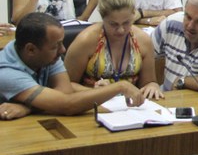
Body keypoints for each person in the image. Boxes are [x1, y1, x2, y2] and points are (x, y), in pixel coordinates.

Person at [0, 12, 144, 121]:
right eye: (56, 46)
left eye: (61, 43)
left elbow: (65, 91)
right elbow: (67, 105)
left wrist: (27, 107)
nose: (63, 50)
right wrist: (120, 86)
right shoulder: (6, 73)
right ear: (31, 49)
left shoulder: (45, 55)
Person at [64, 0, 164, 99]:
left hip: (130, 105)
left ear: (133, 15)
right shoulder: (86, 41)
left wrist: (152, 86)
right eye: (113, 24)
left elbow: (149, 82)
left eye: (126, 23)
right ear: (103, 18)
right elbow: (66, 85)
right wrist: (96, 91)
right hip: (93, 103)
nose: (121, 30)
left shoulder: (143, 40)